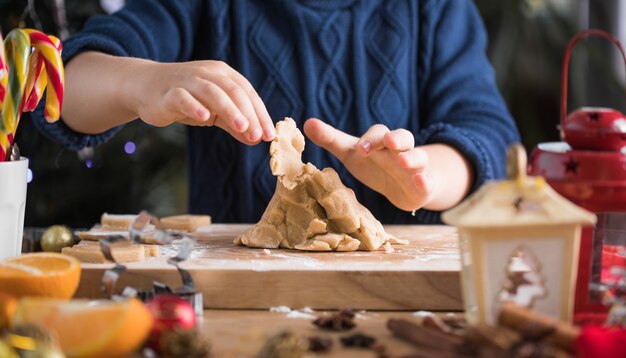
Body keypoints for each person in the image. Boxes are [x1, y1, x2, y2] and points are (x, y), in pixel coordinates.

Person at [32, 0, 520, 224]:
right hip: (234, 306)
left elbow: (488, 136)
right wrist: (144, 81)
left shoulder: (435, 8)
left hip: (404, 306)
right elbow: (62, 92)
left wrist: (424, 177)